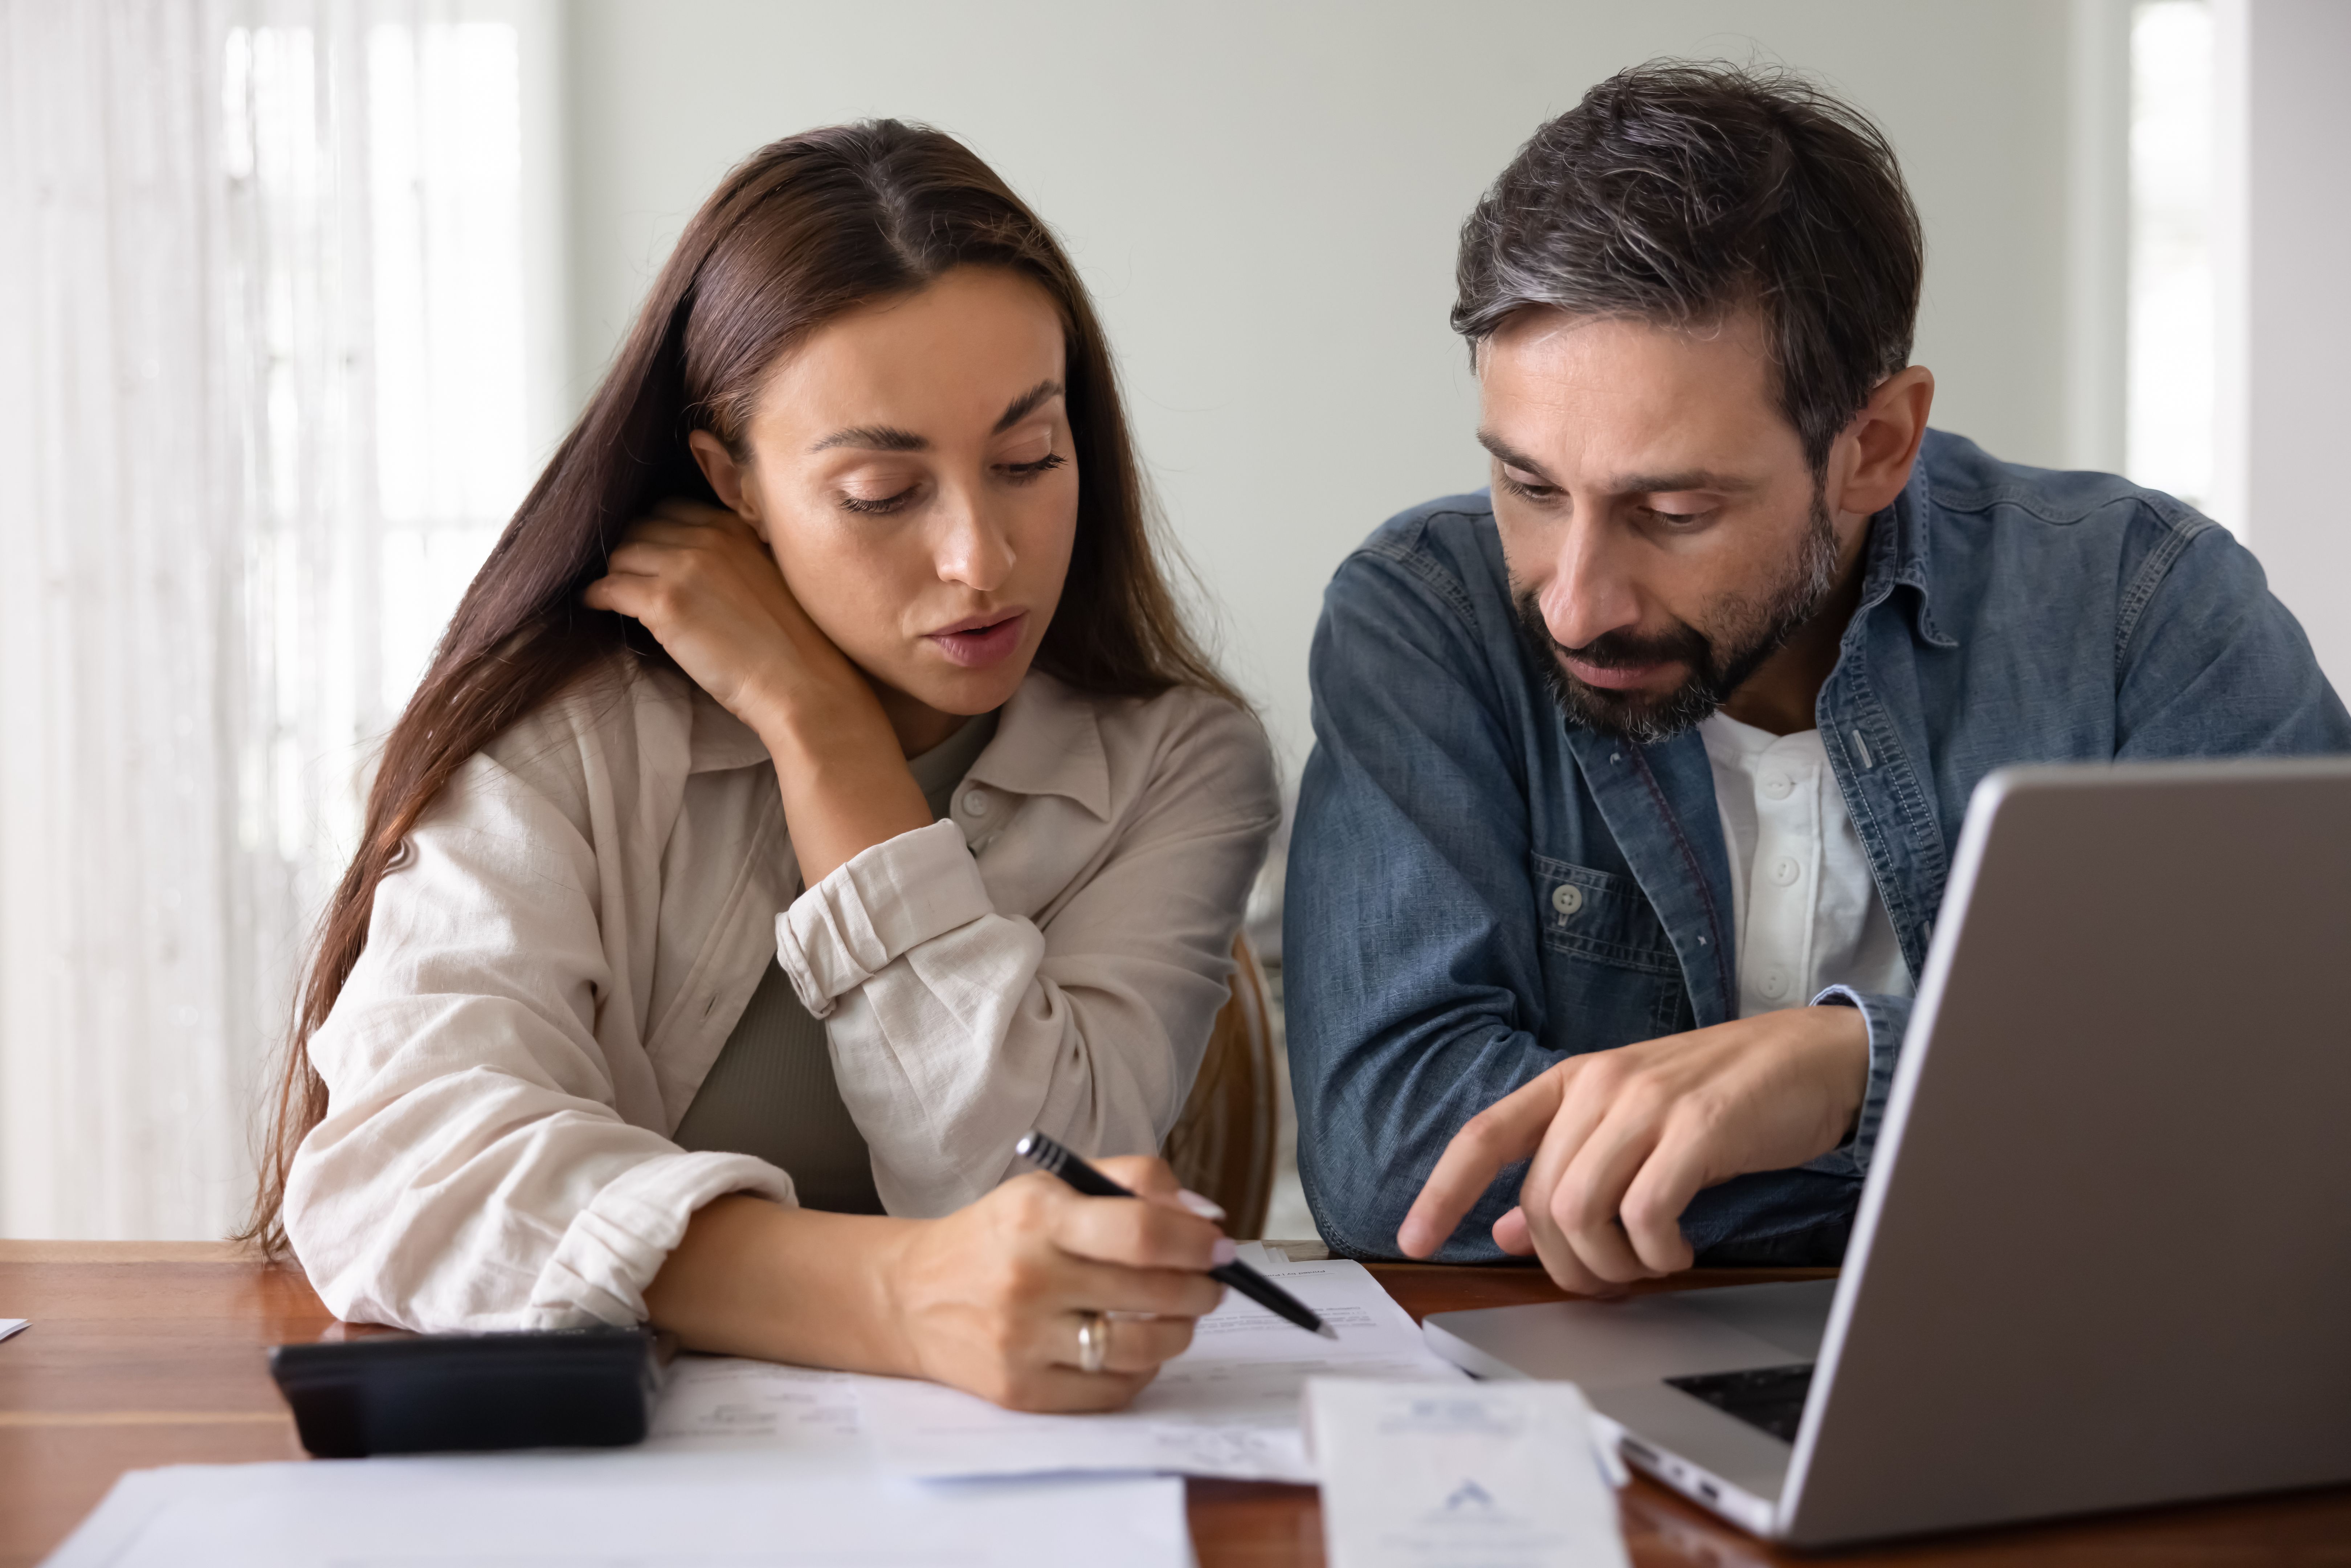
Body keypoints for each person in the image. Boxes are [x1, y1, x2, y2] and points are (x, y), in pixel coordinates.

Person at [247, 122, 1279, 1413]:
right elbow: (403, 1167)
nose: (981, 558)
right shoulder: (570, 730)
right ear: (730, 480)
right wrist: (894, 1299)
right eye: (881, 493)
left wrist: (824, 737)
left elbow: (1025, 1195)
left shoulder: (1179, 764)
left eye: (1029, 462)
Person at [1283, 64, 2351, 1295]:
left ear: (1877, 446)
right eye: (1529, 488)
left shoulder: (2143, 609)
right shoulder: (1430, 616)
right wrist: (2012, 1124)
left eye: (1673, 509)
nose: (1575, 600)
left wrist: (1852, 1074)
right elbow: (1395, 1157)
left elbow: (2302, 1076)